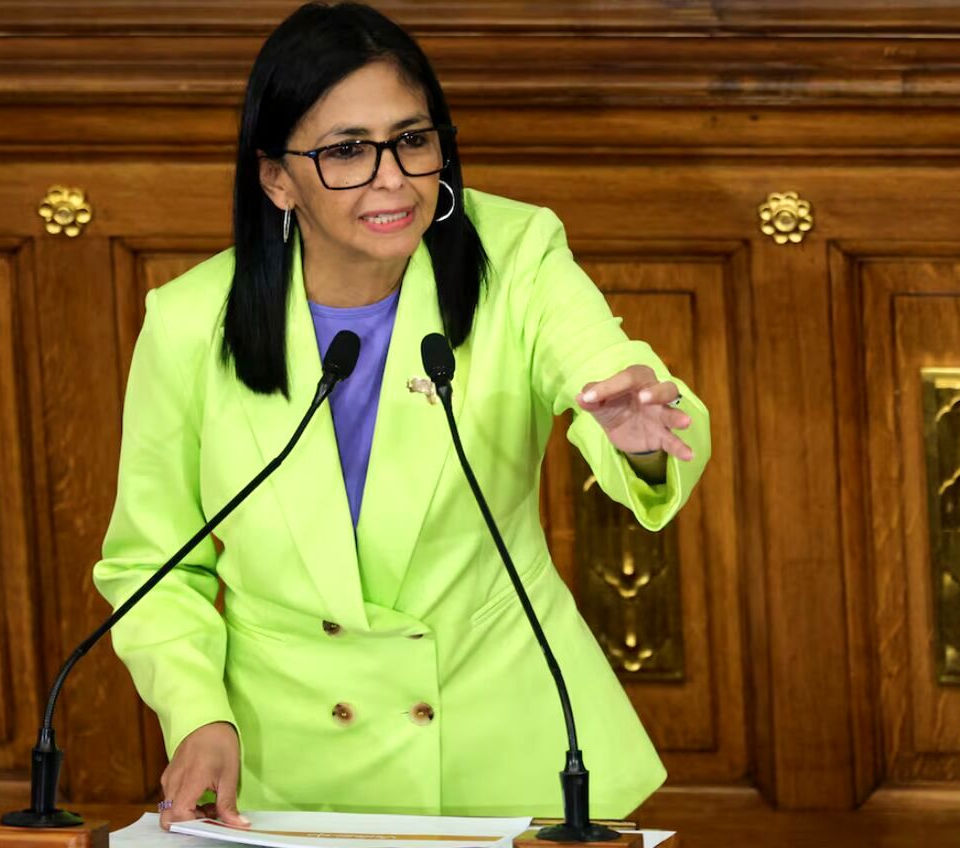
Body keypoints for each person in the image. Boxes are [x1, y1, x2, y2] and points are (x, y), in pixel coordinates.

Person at [92, 1, 710, 831]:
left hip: (505, 757)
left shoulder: (517, 255)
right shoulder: (188, 322)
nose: (392, 178)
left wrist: (635, 436)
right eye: (347, 150)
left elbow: (606, 372)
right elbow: (153, 565)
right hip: (291, 771)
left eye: (412, 140)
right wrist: (198, 712)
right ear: (276, 178)